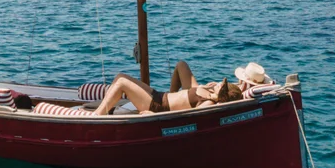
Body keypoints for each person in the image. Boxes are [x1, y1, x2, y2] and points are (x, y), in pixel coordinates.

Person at [94, 59, 243, 116]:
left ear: (223, 94)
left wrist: (155, 116)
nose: (217, 84)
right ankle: (106, 107)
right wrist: (174, 94)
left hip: (157, 107)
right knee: (121, 76)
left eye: (220, 86)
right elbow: (180, 66)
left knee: (122, 84)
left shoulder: (207, 104)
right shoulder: (207, 91)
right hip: (160, 96)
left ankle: (97, 116)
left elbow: (187, 120)